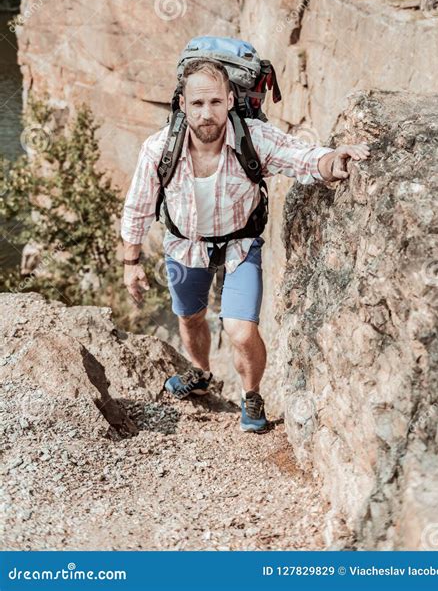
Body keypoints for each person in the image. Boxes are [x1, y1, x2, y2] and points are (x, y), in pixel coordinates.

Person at [121, 59, 370, 432]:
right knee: (189, 318)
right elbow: (138, 205)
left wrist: (333, 160)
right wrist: (132, 261)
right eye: (198, 104)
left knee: (240, 331)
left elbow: (301, 156)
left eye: (216, 103)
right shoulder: (159, 149)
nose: (207, 114)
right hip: (184, 246)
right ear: (182, 105)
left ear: (231, 99)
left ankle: (251, 395)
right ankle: (202, 374)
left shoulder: (252, 138)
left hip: (240, 246)